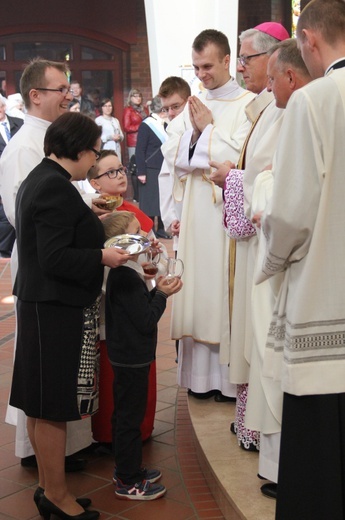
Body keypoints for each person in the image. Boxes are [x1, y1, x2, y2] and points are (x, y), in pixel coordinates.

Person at [9, 111, 129, 520]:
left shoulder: (43, 179)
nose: (94, 162)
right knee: (52, 404)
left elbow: (53, 236)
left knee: (39, 403)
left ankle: (48, 488)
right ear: (77, 150)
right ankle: (57, 497)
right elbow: (56, 256)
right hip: (53, 307)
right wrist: (103, 255)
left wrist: (88, 221)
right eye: (94, 153)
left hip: (42, 303)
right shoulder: (54, 188)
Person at [0, 58, 110, 472]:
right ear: (35, 95)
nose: (69, 94)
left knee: (55, 380)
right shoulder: (24, 147)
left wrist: (85, 206)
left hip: (55, 273)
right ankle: (44, 467)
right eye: (60, 88)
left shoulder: (52, 140)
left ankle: (62, 460)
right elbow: (26, 214)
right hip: (48, 279)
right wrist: (90, 237)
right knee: (46, 385)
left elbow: (58, 200)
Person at [257, 1, 345, 517]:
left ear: (308, 41)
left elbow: (289, 214)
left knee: (320, 467)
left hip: (324, 300)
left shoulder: (315, 101)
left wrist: (272, 261)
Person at [162, 29, 255, 401]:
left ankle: (230, 383)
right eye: (196, 67)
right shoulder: (193, 105)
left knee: (224, 293)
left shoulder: (250, 103)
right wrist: (200, 136)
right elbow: (171, 151)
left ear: (227, 61)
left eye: (207, 66)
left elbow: (243, 156)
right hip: (197, 219)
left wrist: (207, 131)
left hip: (225, 219)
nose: (200, 75)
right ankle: (201, 380)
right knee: (198, 290)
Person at [210, 22, 289, 456]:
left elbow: (276, 179)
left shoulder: (284, 107)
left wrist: (232, 178)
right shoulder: (265, 106)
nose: (240, 67)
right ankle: (248, 422)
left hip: (266, 246)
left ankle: (259, 427)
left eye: (246, 58)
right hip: (250, 244)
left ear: (272, 57)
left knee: (260, 337)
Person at [104, 210, 183, 500]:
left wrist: (157, 291)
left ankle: (129, 467)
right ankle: (127, 480)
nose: (146, 237)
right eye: (138, 232)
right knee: (129, 418)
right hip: (131, 357)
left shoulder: (128, 272)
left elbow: (139, 312)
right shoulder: (124, 278)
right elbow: (146, 320)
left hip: (128, 354)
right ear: (121, 244)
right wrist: (161, 295)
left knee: (128, 414)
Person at [87, 150, 159, 447]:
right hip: (108, 311)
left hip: (137, 301)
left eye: (121, 169)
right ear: (94, 184)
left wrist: (152, 255)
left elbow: (158, 259)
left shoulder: (134, 212)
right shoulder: (90, 218)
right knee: (113, 377)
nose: (120, 176)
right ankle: (108, 436)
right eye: (111, 172)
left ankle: (140, 432)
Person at [158, 76, 191, 249]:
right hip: (181, 223)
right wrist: (171, 220)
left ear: (189, 102)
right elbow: (165, 181)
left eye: (176, 106)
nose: (171, 113)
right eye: (166, 108)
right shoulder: (171, 139)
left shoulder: (202, 131)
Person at [135, 95, 171, 239]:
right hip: (150, 168)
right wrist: (141, 171)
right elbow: (140, 150)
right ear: (161, 109)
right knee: (150, 202)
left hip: (164, 167)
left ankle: (161, 228)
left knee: (162, 200)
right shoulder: (146, 124)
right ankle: (151, 229)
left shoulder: (165, 125)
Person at [0, 95, 23, 258]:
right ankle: (3, 251)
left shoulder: (20, 123)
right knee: (5, 217)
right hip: (2, 177)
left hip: (21, 172)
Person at [122, 88, 148, 160]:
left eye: (139, 96)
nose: (138, 98)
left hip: (145, 138)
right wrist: (140, 126)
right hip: (134, 141)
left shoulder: (144, 109)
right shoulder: (128, 110)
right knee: (135, 162)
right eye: (135, 96)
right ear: (130, 98)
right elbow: (126, 127)